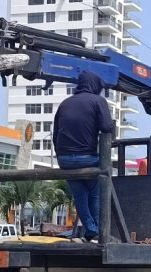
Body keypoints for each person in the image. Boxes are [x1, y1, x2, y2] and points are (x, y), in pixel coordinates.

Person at [53, 70, 115, 242]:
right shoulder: (97, 101)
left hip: (64, 160)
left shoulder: (64, 103)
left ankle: (91, 228)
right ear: (94, 85)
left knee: (80, 195)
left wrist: (62, 157)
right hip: (87, 158)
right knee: (95, 193)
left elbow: (55, 134)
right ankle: (98, 231)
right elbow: (106, 127)